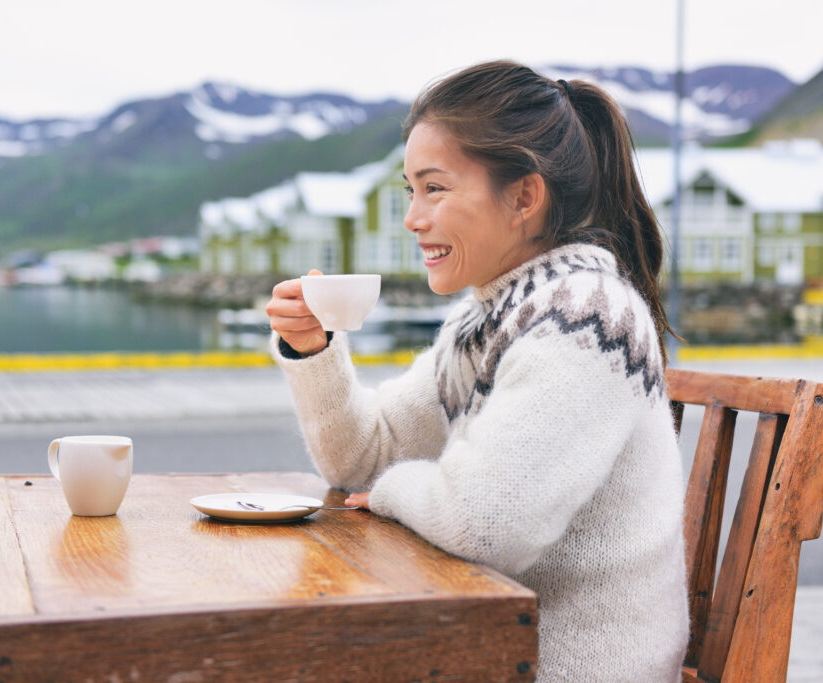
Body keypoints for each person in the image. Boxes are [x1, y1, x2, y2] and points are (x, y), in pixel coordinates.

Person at [266, 60, 689, 681]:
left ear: (523, 195)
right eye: (411, 191)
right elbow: (363, 454)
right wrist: (314, 349)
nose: (413, 217)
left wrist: (385, 498)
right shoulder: (489, 318)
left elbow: (486, 524)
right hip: (487, 644)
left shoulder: (586, 317)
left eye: (435, 188)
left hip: (565, 666)